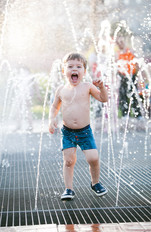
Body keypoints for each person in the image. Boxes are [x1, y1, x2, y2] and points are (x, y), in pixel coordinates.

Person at [49, 52, 108, 200]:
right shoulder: (61, 90)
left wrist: (102, 87)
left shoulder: (87, 87)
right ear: (64, 71)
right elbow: (54, 107)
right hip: (67, 132)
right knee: (69, 161)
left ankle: (95, 183)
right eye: (70, 67)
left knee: (93, 158)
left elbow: (103, 99)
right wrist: (51, 119)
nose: (74, 69)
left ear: (84, 71)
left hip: (85, 131)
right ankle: (68, 189)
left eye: (78, 67)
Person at [116, 35, 142, 118]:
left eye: (122, 42)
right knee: (122, 94)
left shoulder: (129, 51)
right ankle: (124, 114)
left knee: (134, 94)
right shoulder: (117, 53)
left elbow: (137, 63)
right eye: (119, 42)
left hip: (132, 75)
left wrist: (138, 75)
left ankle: (138, 114)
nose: (120, 44)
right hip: (122, 76)